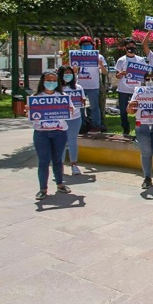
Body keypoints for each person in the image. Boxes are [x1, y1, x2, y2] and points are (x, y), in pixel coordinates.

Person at [28, 71, 74, 200]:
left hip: (59, 133)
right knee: (43, 161)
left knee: (58, 160)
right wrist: (28, 110)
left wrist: (70, 110)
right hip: (41, 134)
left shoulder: (63, 96)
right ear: (43, 81)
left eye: (53, 80)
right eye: (48, 80)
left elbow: (71, 112)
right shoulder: (36, 97)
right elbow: (31, 117)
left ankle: (60, 184)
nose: (51, 82)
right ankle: (42, 189)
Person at [74, 36, 107, 133]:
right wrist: (76, 66)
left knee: (94, 107)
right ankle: (82, 125)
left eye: (88, 44)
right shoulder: (77, 55)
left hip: (93, 86)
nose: (86, 46)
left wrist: (100, 64)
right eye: (84, 45)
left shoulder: (99, 57)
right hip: (80, 86)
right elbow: (74, 71)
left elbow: (105, 72)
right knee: (80, 107)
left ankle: (96, 125)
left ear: (92, 46)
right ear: (81, 46)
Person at [114, 38, 146, 137]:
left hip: (136, 90)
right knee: (123, 111)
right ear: (125, 48)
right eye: (128, 46)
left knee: (139, 110)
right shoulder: (121, 60)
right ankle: (126, 129)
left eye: (132, 46)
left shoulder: (140, 60)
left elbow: (145, 73)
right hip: (123, 89)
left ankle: (139, 129)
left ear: (135, 47)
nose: (130, 48)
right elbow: (117, 75)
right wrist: (122, 73)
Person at [58, 65, 84, 175]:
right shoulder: (57, 89)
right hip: (60, 120)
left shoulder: (78, 88)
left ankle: (74, 165)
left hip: (75, 118)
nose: (68, 75)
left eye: (70, 73)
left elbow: (82, 103)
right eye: (65, 73)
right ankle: (60, 165)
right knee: (61, 143)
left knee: (73, 141)